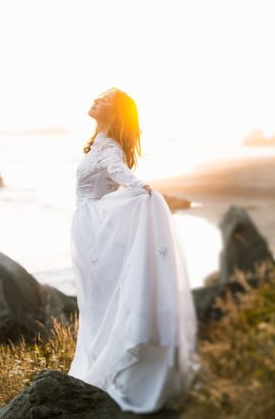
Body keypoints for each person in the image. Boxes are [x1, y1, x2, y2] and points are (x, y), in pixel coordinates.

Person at [68, 87, 198, 413]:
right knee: (96, 302)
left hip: (95, 231)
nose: (95, 100)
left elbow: (117, 171)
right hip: (90, 230)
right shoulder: (99, 143)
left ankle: (111, 372)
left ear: (114, 114)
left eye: (104, 101)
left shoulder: (108, 147)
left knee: (101, 302)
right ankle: (101, 365)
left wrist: (140, 187)